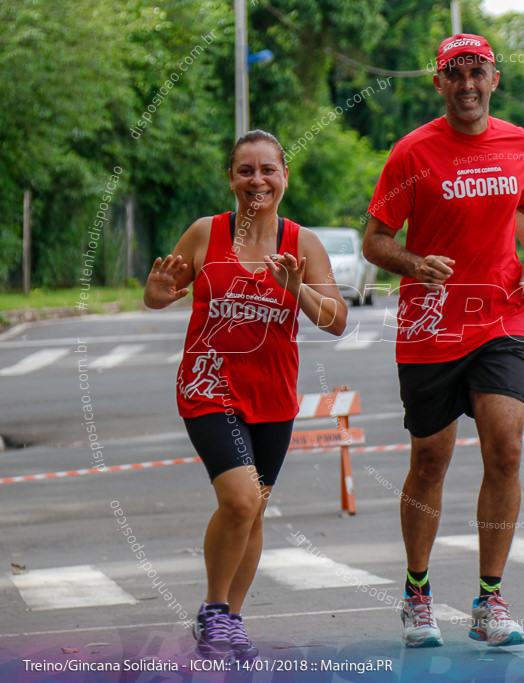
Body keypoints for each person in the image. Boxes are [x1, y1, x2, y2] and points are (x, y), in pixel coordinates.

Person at [363, 33, 524, 648]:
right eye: (455, 73)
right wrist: (414, 264)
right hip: (431, 324)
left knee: (507, 448)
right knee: (430, 460)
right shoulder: (412, 153)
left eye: (478, 72)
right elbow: (375, 238)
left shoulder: (517, 143)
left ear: (494, 79)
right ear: (438, 83)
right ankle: (418, 595)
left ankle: (490, 601)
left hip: (500, 316)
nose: (467, 84)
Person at [143, 130, 348, 660]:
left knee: (253, 512)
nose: (257, 180)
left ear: (284, 176)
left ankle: (230, 619)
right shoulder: (204, 233)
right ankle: (214, 609)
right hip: (208, 386)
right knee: (240, 499)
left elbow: (337, 321)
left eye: (267, 170)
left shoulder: (300, 243)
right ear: (230, 178)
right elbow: (162, 292)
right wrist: (157, 294)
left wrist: (296, 289)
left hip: (274, 396)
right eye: (245, 170)